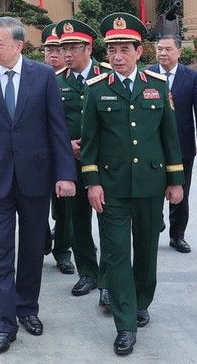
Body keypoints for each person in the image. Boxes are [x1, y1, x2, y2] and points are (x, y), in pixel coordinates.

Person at [0, 16, 76, 353]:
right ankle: (4, 322)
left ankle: (27, 308)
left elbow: (57, 129)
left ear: (18, 45)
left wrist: (65, 174)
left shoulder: (42, 76)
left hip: (35, 177)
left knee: (31, 248)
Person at [80, 12, 184, 357]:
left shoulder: (158, 85)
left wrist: (176, 180)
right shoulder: (96, 91)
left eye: (125, 49)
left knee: (146, 251)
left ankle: (142, 301)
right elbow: (89, 144)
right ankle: (125, 324)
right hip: (111, 188)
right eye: (112, 50)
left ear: (141, 52)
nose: (118, 56)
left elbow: (170, 138)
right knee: (116, 252)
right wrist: (92, 183)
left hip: (151, 185)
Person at [54, 19, 111, 301]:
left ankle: (109, 281)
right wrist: (67, 145)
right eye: (63, 47)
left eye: (73, 47)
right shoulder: (56, 82)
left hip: (106, 163)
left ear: (88, 48)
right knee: (78, 221)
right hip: (72, 163)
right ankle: (87, 272)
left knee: (110, 222)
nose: (66, 53)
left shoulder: (109, 75)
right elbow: (50, 123)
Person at [147, 36, 197, 254]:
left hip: (182, 144)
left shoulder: (192, 77)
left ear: (179, 52)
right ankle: (154, 226)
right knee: (152, 189)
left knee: (181, 190)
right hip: (152, 145)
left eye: (168, 49)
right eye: (159, 49)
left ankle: (177, 235)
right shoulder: (147, 73)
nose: (163, 53)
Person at [42, 23, 70, 268]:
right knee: (38, 202)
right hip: (41, 154)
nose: (53, 54)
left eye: (58, 49)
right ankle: (43, 238)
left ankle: (63, 251)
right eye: (48, 50)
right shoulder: (38, 78)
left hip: (71, 153)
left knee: (64, 208)